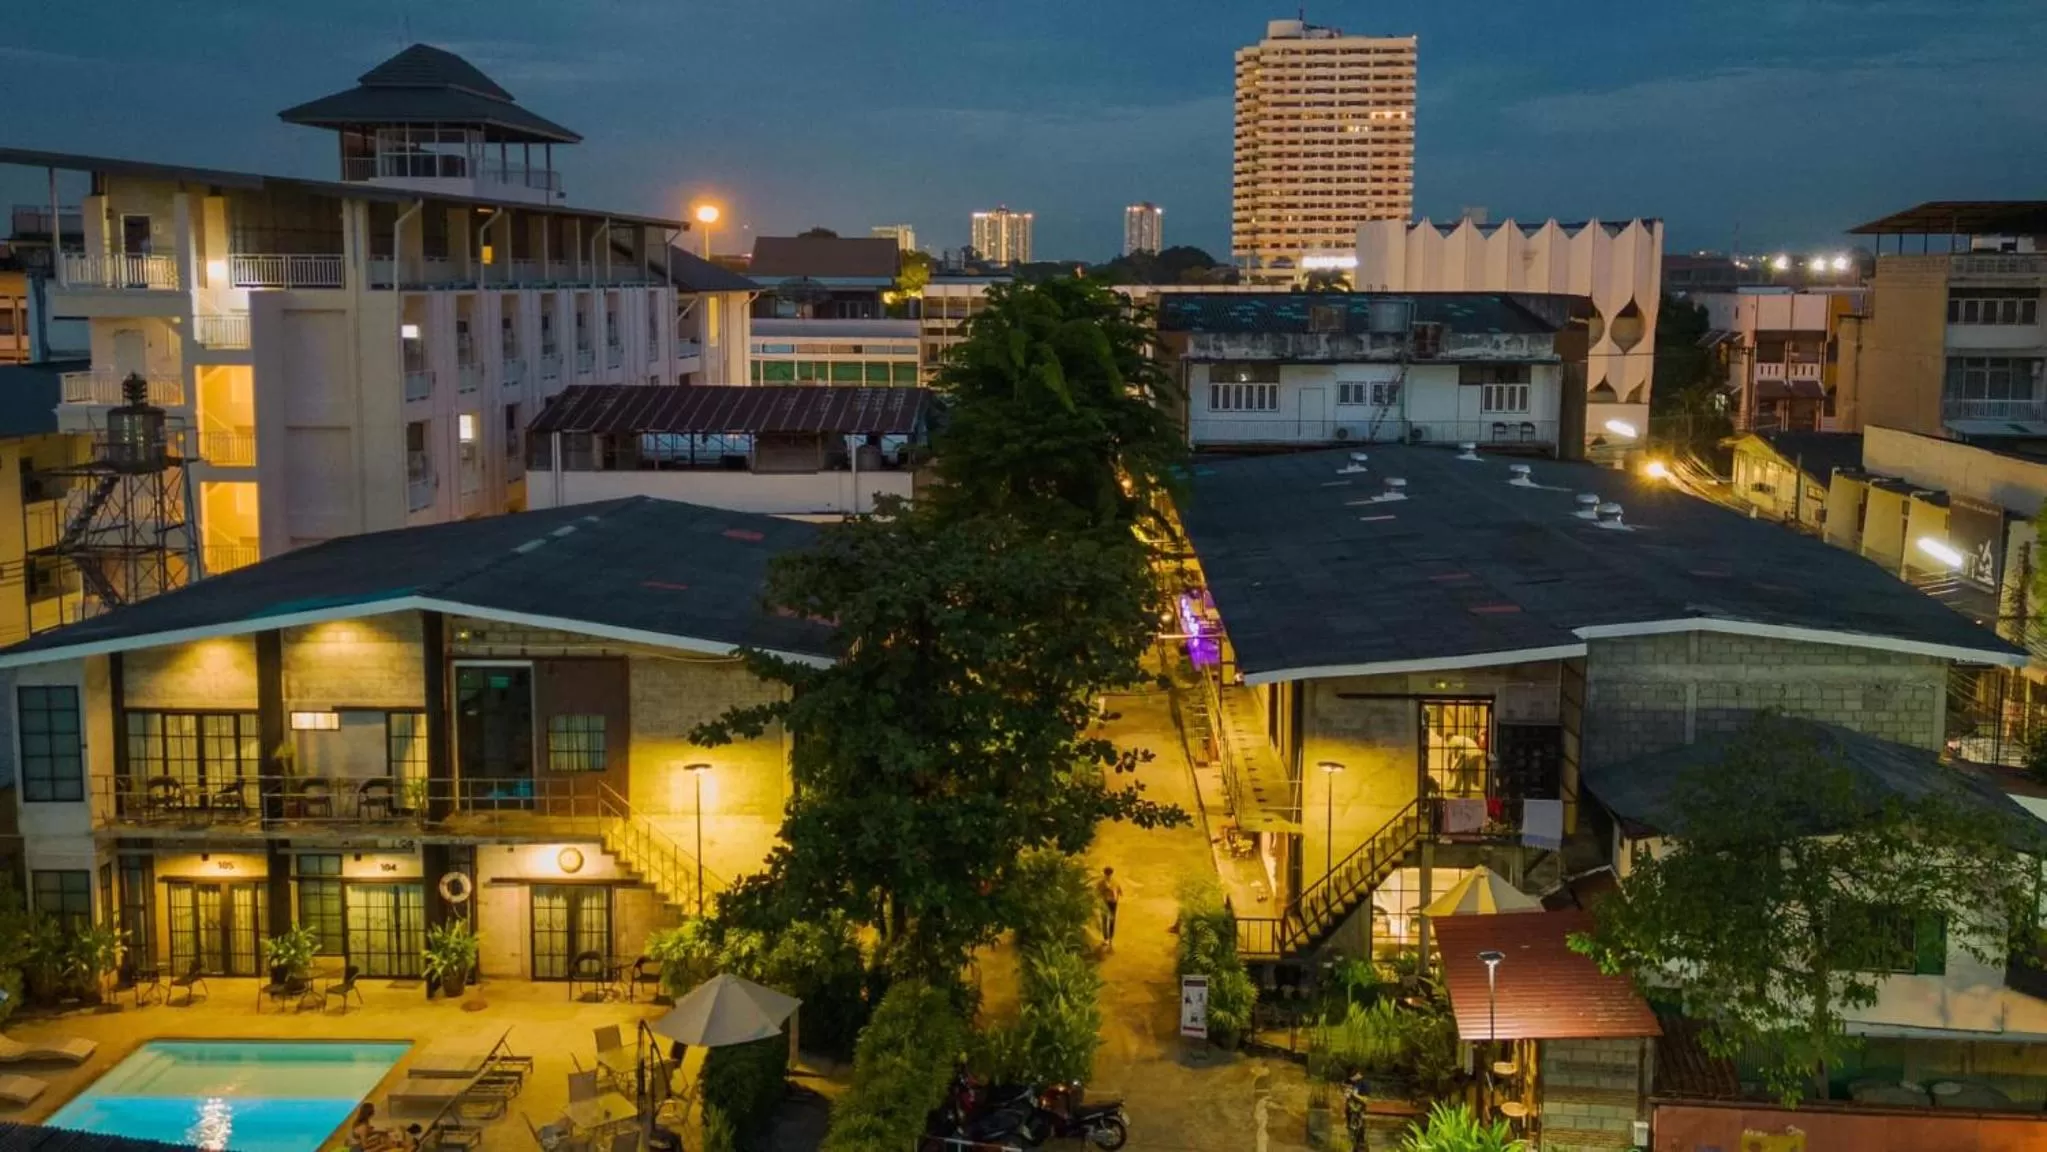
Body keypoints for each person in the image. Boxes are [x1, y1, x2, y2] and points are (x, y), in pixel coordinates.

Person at [1097, 866, 1122, 946]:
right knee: (1105, 920)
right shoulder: (1102, 883)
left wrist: (1115, 895)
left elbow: (1120, 892)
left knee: (1111, 920)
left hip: (1112, 903)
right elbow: (1098, 892)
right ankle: (1106, 938)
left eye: (1109, 874)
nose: (1108, 876)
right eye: (1107, 874)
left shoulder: (1114, 882)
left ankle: (1110, 938)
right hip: (1105, 902)